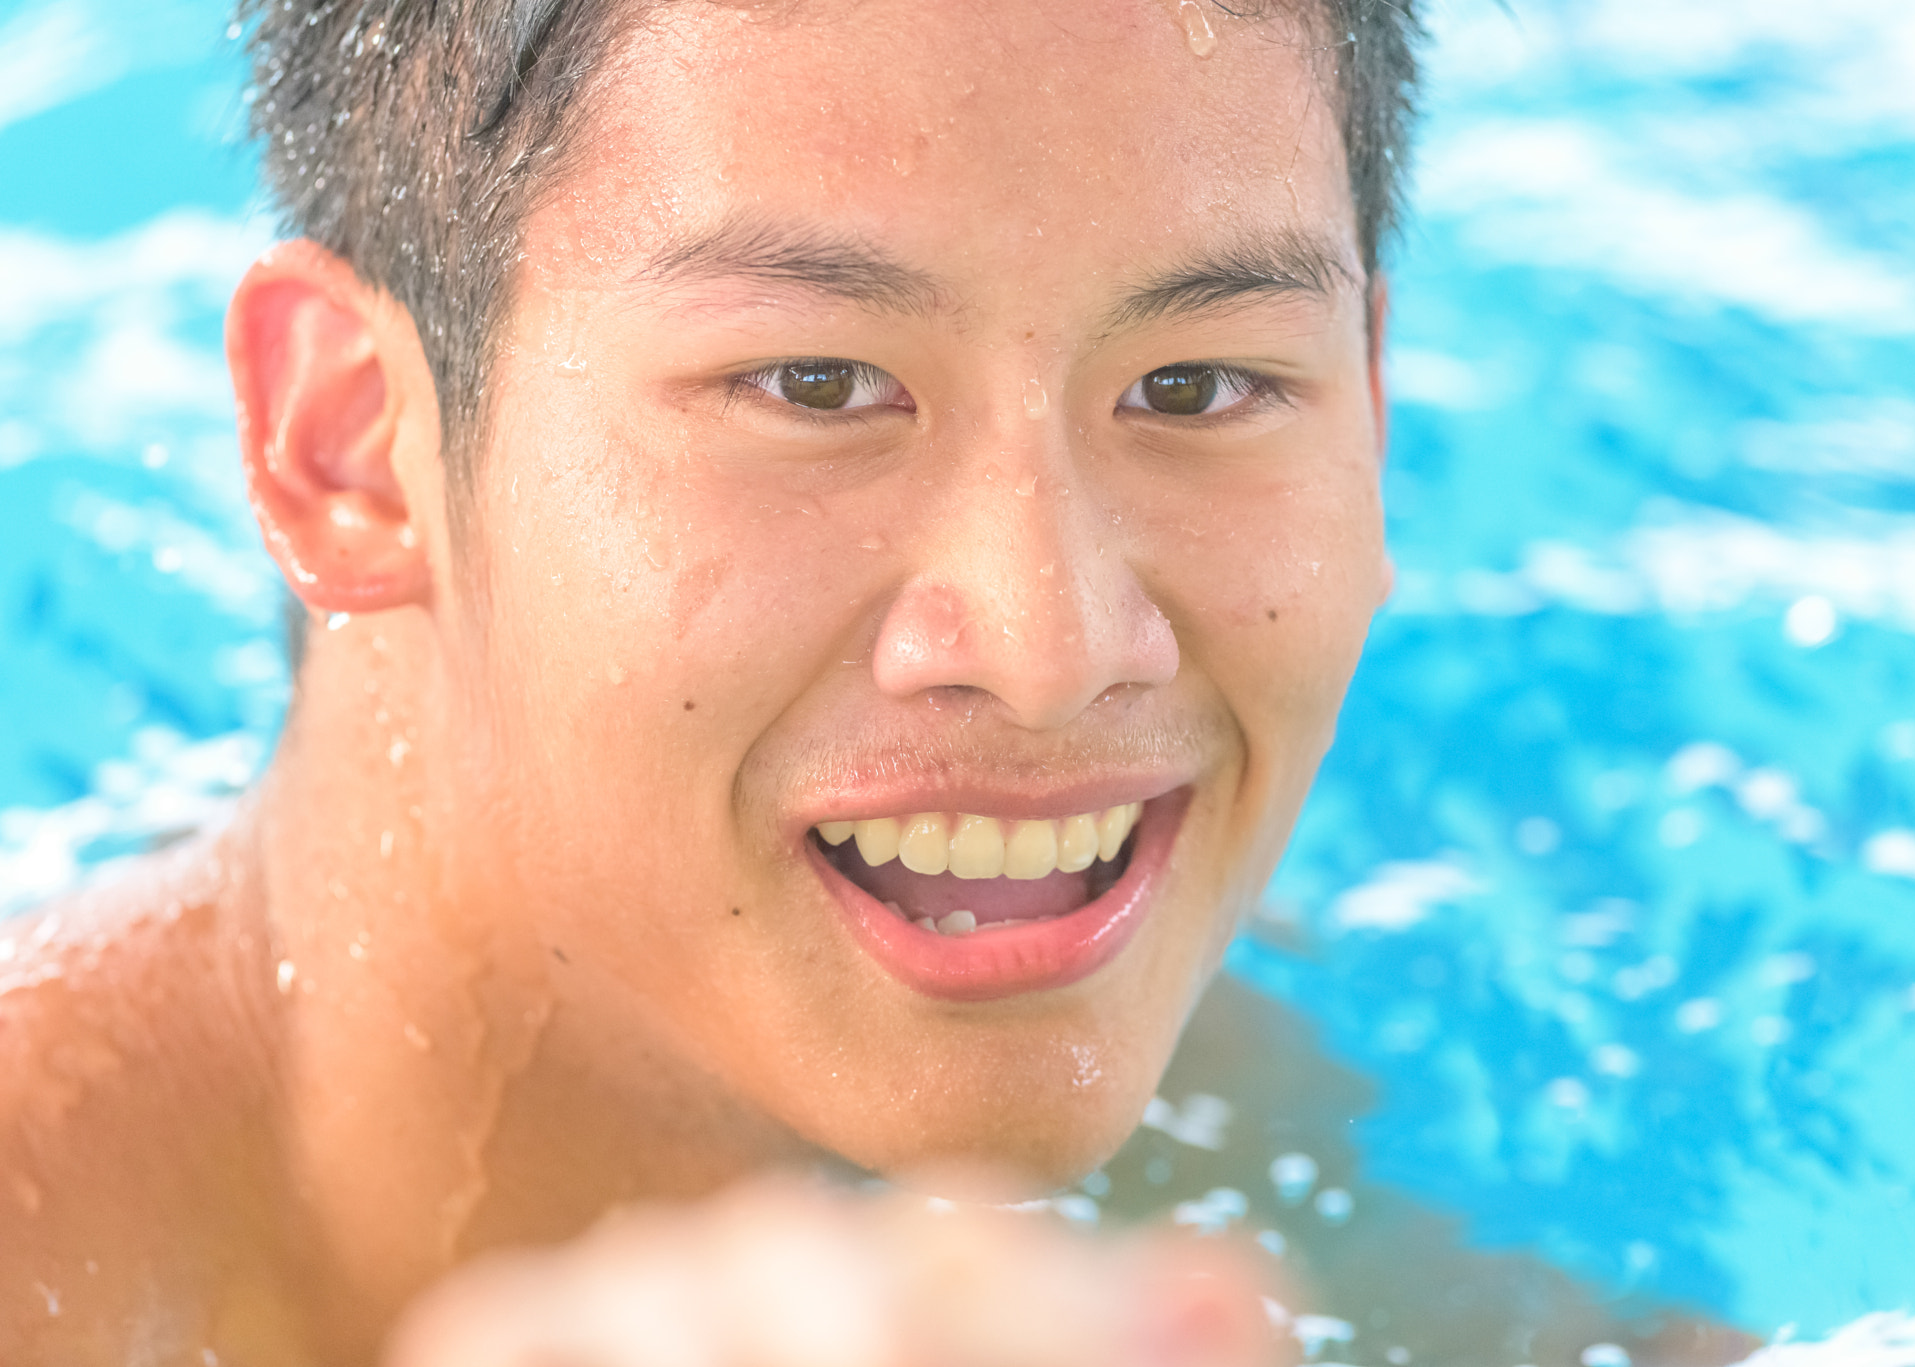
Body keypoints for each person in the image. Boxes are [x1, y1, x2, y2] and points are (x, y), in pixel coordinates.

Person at [0, 2, 1755, 1364]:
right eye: (820, 384)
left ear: (1370, 403)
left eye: (1199, 387)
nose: (1057, 659)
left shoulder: (1130, 1019)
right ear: (355, 452)